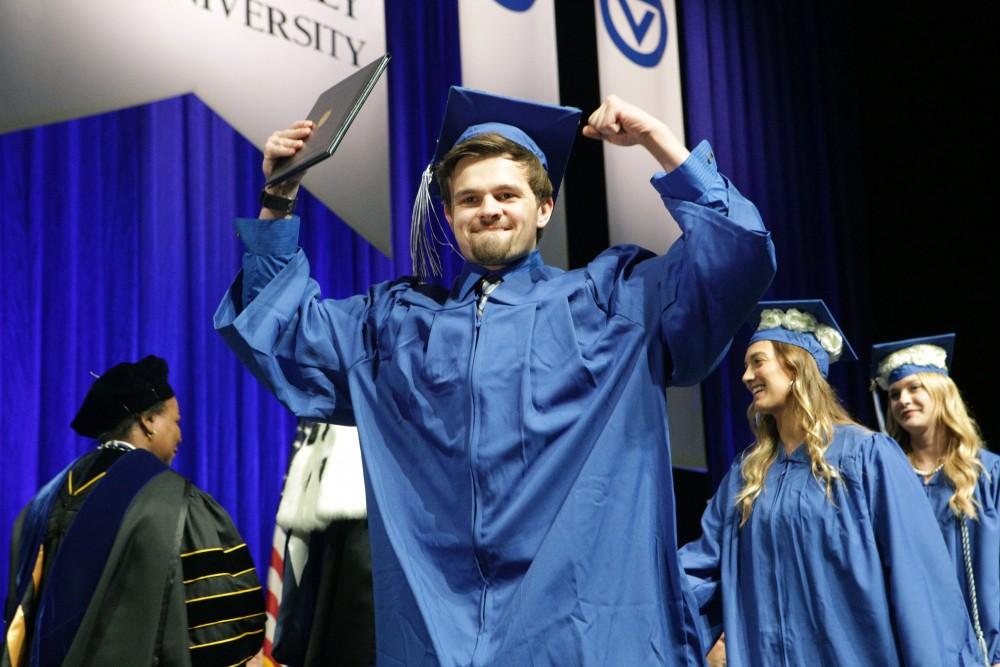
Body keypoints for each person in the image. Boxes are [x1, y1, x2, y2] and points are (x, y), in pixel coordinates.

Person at [215, 87, 776, 665]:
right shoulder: (396, 327)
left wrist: (664, 147)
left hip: (582, 636)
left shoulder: (615, 303)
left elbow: (735, 259)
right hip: (438, 635)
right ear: (452, 217)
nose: (489, 208)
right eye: (469, 198)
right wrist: (278, 196)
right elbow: (277, 329)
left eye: (507, 194)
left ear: (544, 208)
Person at [679, 301, 981, 666]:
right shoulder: (748, 474)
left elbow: (917, 578)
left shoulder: (867, 456)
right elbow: (700, 568)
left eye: (757, 362)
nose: (745, 377)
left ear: (795, 367)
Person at [2, 356, 265, 667]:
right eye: (176, 420)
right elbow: (223, 631)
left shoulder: (41, 504)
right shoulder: (174, 501)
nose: (180, 435)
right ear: (148, 421)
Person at [873, 334, 999, 667]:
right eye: (895, 394)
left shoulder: (987, 473)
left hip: (984, 645)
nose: (903, 400)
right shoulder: (887, 479)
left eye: (915, 388)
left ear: (942, 392)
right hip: (914, 645)